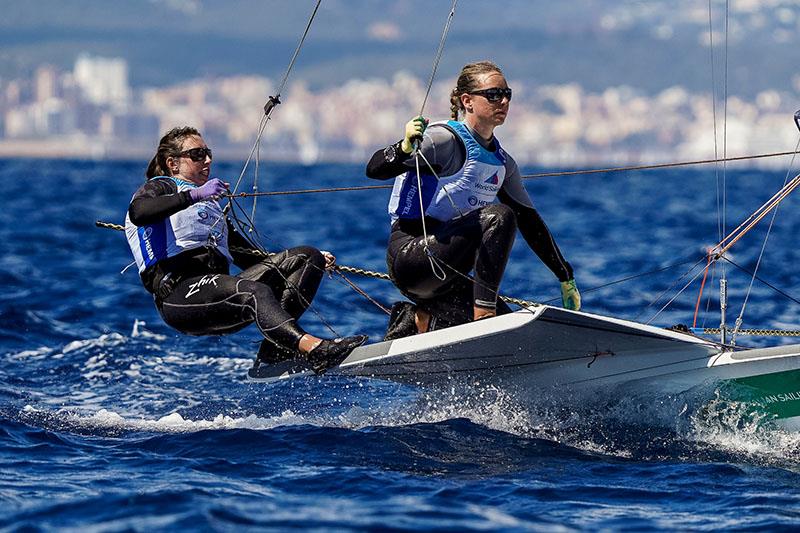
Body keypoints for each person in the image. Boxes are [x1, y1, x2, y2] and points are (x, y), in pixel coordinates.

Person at [125, 126, 366, 374]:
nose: (207, 160)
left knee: (307, 256)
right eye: (197, 154)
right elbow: (139, 212)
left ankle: (276, 350)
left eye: (208, 153)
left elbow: (247, 257)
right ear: (173, 164)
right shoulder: (161, 187)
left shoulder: (211, 206)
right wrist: (194, 195)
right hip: (179, 297)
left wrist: (312, 262)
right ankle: (314, 349)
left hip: (221, 292)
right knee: (254, 291)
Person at [365, 61, 580, 339]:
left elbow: (530, 222)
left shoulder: (503, 164)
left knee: (512, 338)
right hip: (411, 258)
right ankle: (483, 320)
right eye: (493, 94)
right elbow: (374, 169)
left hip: (448, 277)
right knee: (499, 216)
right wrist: (403, 147)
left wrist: (565, 276)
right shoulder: (444, 141)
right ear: (467, 101)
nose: (503, 100)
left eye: (507, 94)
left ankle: (416, 321)